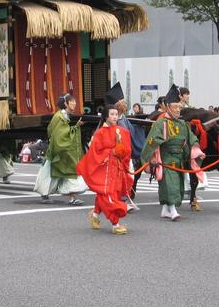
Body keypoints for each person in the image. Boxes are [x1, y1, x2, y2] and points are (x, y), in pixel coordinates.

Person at [140, 84, 204, 221]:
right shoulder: (161, 122)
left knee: (178, 184)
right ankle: (172, 210)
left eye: (179, 107)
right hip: (166, 157)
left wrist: (196, 150)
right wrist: (151, 155)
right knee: (170, 184)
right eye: (175, 107)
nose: (178, 110)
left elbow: (191, 138)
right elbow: (152, 139)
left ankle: (165, 210)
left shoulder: (182, 124)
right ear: (168, 107)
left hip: (179, 157)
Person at [77, 105, 132, 234]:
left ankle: (95, 214)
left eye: (116, 114)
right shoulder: (100, 133)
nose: (114, 116)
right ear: (106, 116)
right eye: (112, 114)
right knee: (108, 195)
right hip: (105, 169)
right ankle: (115, 224)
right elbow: (94, 152)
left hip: (116, 168)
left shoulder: (122, 131)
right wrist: (111, 151)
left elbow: (126, 151)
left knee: (107, 193)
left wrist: (119, 147)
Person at [35, 93, 87, 205]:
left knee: (67, 173)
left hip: (62, 149)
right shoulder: (59, 117)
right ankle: (45, 194)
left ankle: (72, 198)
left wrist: (75, 126)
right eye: (71, 101)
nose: (74, 103)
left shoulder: (63, 116)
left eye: (74, 101)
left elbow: (60, 132)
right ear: (65, 103)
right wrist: (76, 127)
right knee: (52, 173)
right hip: (57, 150)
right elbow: (60, 134)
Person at [104, 82, 146, 203]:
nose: (124, 103)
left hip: (126, 155)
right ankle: (118, 200)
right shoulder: (110, 120)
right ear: (116, 104)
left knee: (127, 178)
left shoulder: (124, 118)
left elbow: (131, 133)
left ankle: (123, 199)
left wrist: (141, 127)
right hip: (115, 156)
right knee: (117, 178)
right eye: (122, 101)